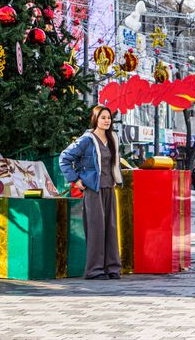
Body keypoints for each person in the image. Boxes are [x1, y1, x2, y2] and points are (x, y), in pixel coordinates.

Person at [59, 105, 123, 280]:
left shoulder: (112, 139)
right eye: (103, 117)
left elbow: (114, 164)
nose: (106, 120)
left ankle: (112, 268)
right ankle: (95, 270)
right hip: (93, 190)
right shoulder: (87, 140)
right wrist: (76, 180)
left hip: (109, 188)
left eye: (108, 117)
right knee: (96, 229)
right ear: (95, 119)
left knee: (111, 228)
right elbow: (64, 158)